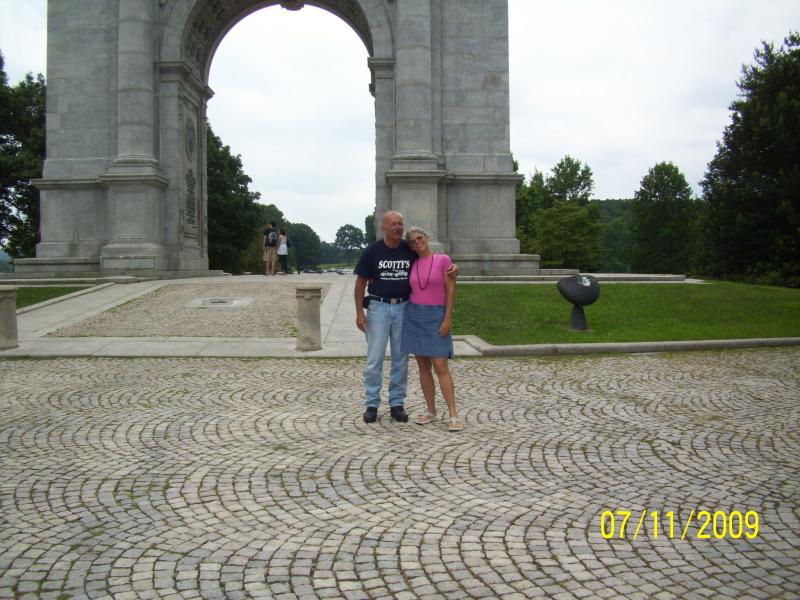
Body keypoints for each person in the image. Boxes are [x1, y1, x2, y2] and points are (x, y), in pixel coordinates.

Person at [354, 211, 457, 424]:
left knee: (400, 359)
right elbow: (360, 283)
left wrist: (455, 268)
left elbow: (434, 263)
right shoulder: (372, 251)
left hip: (404, 309)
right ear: (383, 227)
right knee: (375, 359)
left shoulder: (408, 250)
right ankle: (372, 404)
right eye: (392, 224)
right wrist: (359, 313)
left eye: (400, 224)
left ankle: (396, 403)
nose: (397, 228)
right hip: (378, 307)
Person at [401, 227, 462, 431]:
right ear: (410, 246)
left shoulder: (443, 260)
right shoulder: (413, 263)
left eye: (420, 238)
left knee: (441, 366)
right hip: (414, 316)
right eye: (413, 241)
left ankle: (453, 414)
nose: (417, 242)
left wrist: (447, 317)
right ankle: (431, 410)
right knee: (423, 367)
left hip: (437, 315)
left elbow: (451, 289)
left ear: (426, 238)